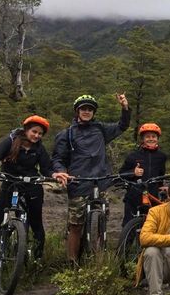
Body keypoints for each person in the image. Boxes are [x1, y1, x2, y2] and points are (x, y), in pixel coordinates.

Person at [52, 94, 130, 264]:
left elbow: (123, 126)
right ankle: (72, 262)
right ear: (77, 111)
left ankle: (99, 259)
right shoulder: (67, 134)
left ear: (93, 112)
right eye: (83, 109)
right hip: (78, 183)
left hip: (101, 181)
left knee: (101, 222)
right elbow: (58, 158)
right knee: (76, 225)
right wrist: (60, 171)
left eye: (90, 109)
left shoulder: (100, 129)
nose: (86, 112)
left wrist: (125, 108)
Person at [0, 115, 63, 259]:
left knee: (36, 224)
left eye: (40, 134)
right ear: (26, 130)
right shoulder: (10, 141)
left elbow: (46, 168)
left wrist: (55, 175)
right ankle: (8, 245)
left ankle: (37, 260)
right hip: (10, 183)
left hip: (31, 185)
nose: (37, 135)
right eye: (34, 131)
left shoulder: (39, 148)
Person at [118, 122, 168, 226]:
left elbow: (161, 174)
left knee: (153, 225)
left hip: (153, 195)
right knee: (129, 225)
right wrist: (133, 172)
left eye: (154, 136)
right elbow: (121, 174)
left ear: (157, 138)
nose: (151, 139)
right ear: (142, 139)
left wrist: (162, 186)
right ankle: (127, 242)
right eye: (147, 136)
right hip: (134, 195)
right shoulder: (133, 156)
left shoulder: (162, 156)